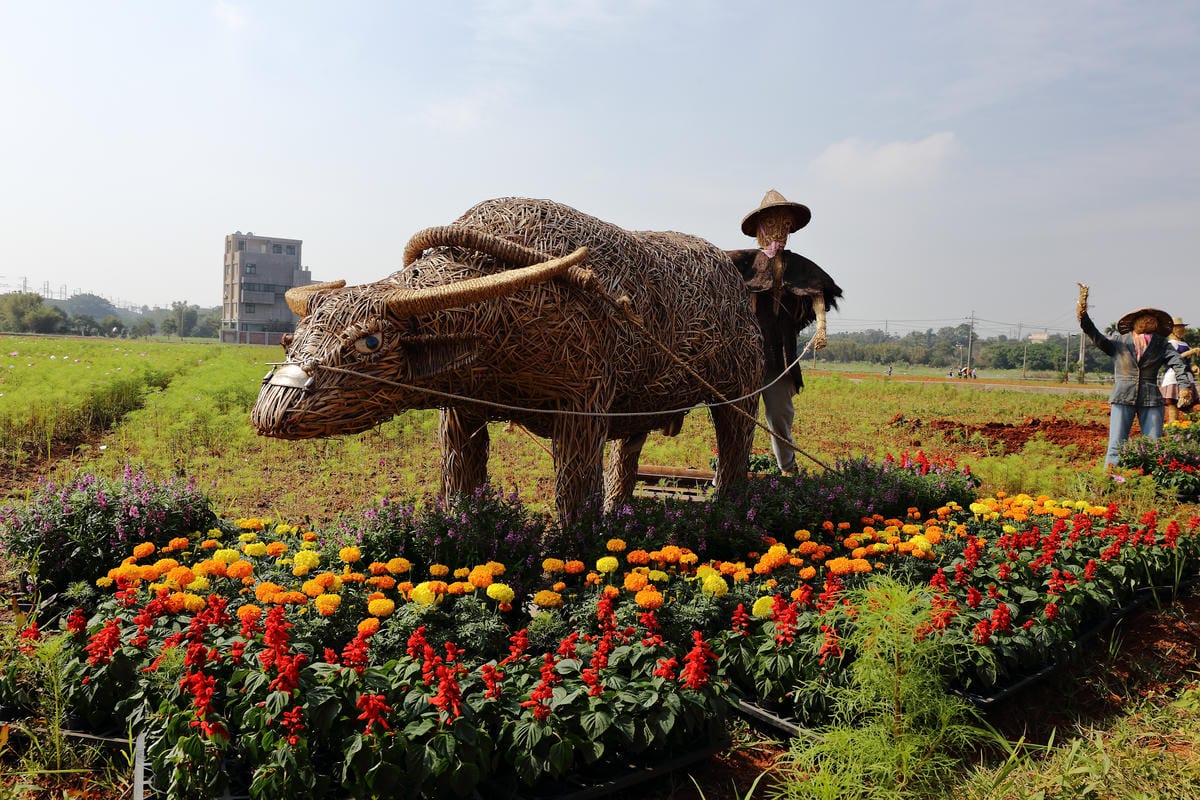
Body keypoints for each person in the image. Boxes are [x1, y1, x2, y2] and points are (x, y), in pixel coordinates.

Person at [726, 190, 842, 474]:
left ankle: (788, 471)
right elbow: (716, 279)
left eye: (785, 223)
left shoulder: (797, 265)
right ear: (760, 227)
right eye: (773, 222)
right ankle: (728, 474)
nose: (780, 229)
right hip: (745, 353)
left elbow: (817, 292)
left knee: (779, 415)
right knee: (735, 417)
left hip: (780, 354)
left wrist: (822, 328)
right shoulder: (743, 262)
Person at [1077, 296, 1195, 468]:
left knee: (1154, 444)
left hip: (1151, 397)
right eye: (1144, 319)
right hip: (1123, 395)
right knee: (1116, 444)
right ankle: (1110, 481)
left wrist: (1184, 386)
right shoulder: (1119, 341)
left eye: (1152, 320)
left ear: (1157, 325)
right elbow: (1097, 337)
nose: (1148, 322)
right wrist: (1083, 317)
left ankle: (1152, 480)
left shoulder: (1162, 344)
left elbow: (1178, 363)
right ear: (1134, 322)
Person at [1159, 316, 1199, 424]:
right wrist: (1191, 352)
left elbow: (1187, 362)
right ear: (1173, 329)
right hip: (1173, 378)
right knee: (1173, 410)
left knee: (1190, 409)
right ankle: (1173, 433)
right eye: (1179, 327)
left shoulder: (1185, 344)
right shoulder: (1170, 344)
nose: (1182, 329)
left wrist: (1194, 367)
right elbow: (1176, 359)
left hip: (1187, 378)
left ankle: (1192, 434)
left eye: (1182, 327)